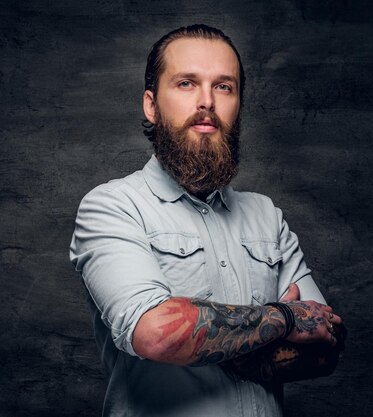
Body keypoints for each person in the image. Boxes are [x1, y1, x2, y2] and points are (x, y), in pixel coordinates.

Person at [70, 24, 346, 417]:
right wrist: (284, 319)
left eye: (224, 87)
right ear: (151, 105)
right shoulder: (113, 206)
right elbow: (157, 334)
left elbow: (327, 340)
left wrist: (218, 345)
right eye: (186, 83)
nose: (207, 101)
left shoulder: (266, 215)